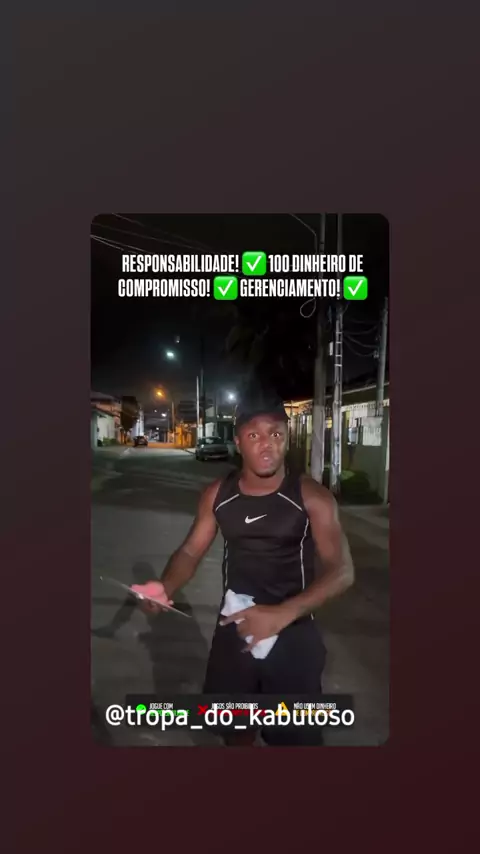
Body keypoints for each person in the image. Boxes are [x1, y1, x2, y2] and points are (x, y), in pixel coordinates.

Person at [132, 389, 354, 746]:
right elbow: (190, 550)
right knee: (235, 731)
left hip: (293, 634)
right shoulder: (219, 494)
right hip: (234, 630)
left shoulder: (312, 497)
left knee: (294, 741)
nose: (267, 445)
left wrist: (283, 614)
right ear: (238, 442)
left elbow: (342, 569)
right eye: (254, 435)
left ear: (287, 438)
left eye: (276, 434)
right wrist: (165, 587)